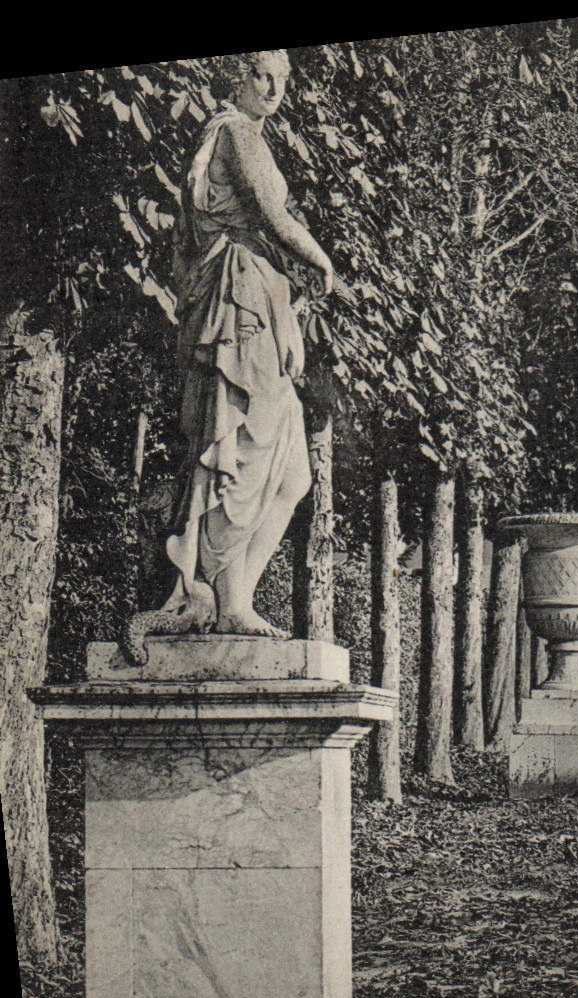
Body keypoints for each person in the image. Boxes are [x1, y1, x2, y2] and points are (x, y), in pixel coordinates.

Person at [123, 50, 334, 661]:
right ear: (235, 79)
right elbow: (272, 212)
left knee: (292, 470)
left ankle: (227, 595)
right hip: (238, 304)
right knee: (245, 442)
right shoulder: (237, 134)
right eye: (260, 76)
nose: (272, 90)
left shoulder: (239, 134)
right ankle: (211, 593)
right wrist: (320, 259)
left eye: (281, 80)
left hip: (258, 296)